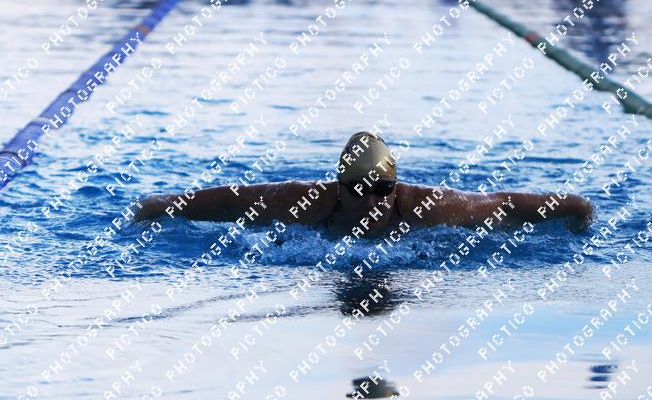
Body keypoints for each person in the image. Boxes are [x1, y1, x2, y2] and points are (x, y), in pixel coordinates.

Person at [134, 131, 594, 235]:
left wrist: (574, 206)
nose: (371, 199)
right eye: (358, 188)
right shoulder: (303, 202)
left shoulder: (429, 207)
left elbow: (500, 205)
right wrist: (165, 204)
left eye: (381, 189)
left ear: (395, 187)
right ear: (338, 187)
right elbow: (233, 202)